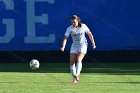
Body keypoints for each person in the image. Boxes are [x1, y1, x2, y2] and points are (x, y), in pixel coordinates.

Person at [60, 15, 96, 84]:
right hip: (74, 46)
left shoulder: (83, 26)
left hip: (83, 45)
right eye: (72, 22)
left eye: (74, 22)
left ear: (78, 21)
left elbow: (90, 34)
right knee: (71, 62)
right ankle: (74, 77)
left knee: (78, 59)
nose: (73, 24)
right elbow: (65, 38)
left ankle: (77, 74)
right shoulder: (69, 28)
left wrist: (93, 44)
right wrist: (63, 47)